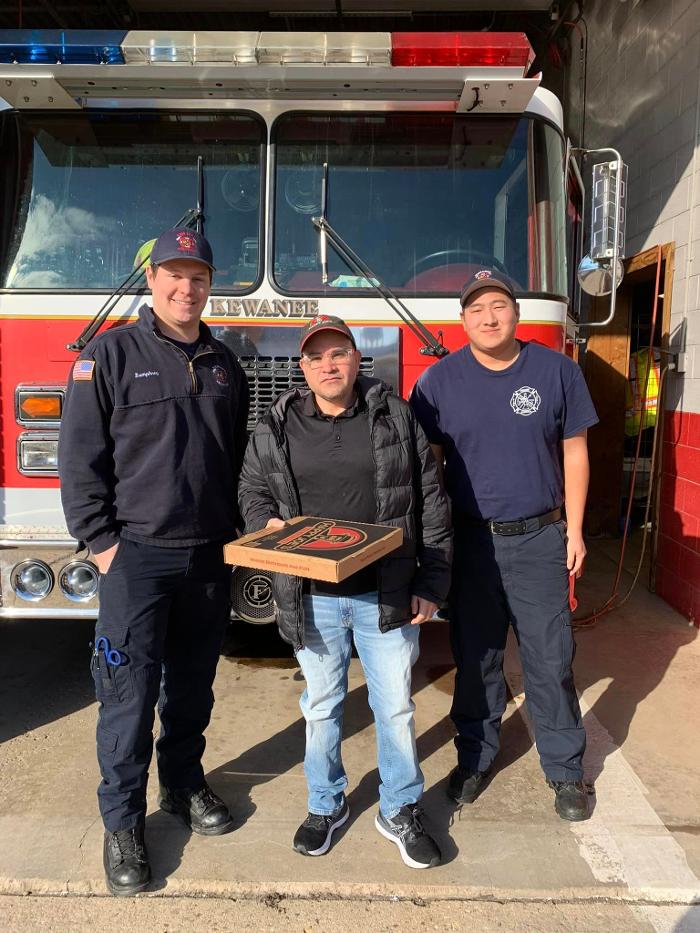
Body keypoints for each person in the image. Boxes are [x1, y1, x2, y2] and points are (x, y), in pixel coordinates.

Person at [58, 227, 250, 896]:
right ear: (151, 280)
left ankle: (183, 784)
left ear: (209, 284)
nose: (186, 286)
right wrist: (103, 543)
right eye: (174, 274)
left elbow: (237, 458)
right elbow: (78, 460)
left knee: (193, 687)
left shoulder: (227, 363)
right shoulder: (107, 355)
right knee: (127, 697)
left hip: (206, 558)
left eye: (198, 275)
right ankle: (122, 824)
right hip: (134, 558)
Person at [238, 314, 452, 869]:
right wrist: (264, 524)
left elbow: (430, 500)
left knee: (396, 708)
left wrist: (431, 581)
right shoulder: (278, 422)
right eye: (316, 358)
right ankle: (324, 805)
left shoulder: (396, 415)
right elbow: (253, 488)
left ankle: (400, 809)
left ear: (358, 361)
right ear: (303, 367)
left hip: (387, 592)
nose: (328, 366)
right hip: (312, 595)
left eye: (339, 355)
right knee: (323, 706)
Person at [410, 269, 598, 822]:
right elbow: (428, 469)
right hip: (470, 543)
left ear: (514, 312)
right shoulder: (438, 383)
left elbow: (576, 452)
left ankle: (565, 770)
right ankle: (474, 759)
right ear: (461, 320)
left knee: (551, 658)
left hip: (540, 537)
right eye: (476, 310)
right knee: (477, 658)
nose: (488, 318)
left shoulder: (557, 371)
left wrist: (577, 530)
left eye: (498, 306)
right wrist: (431, 545)